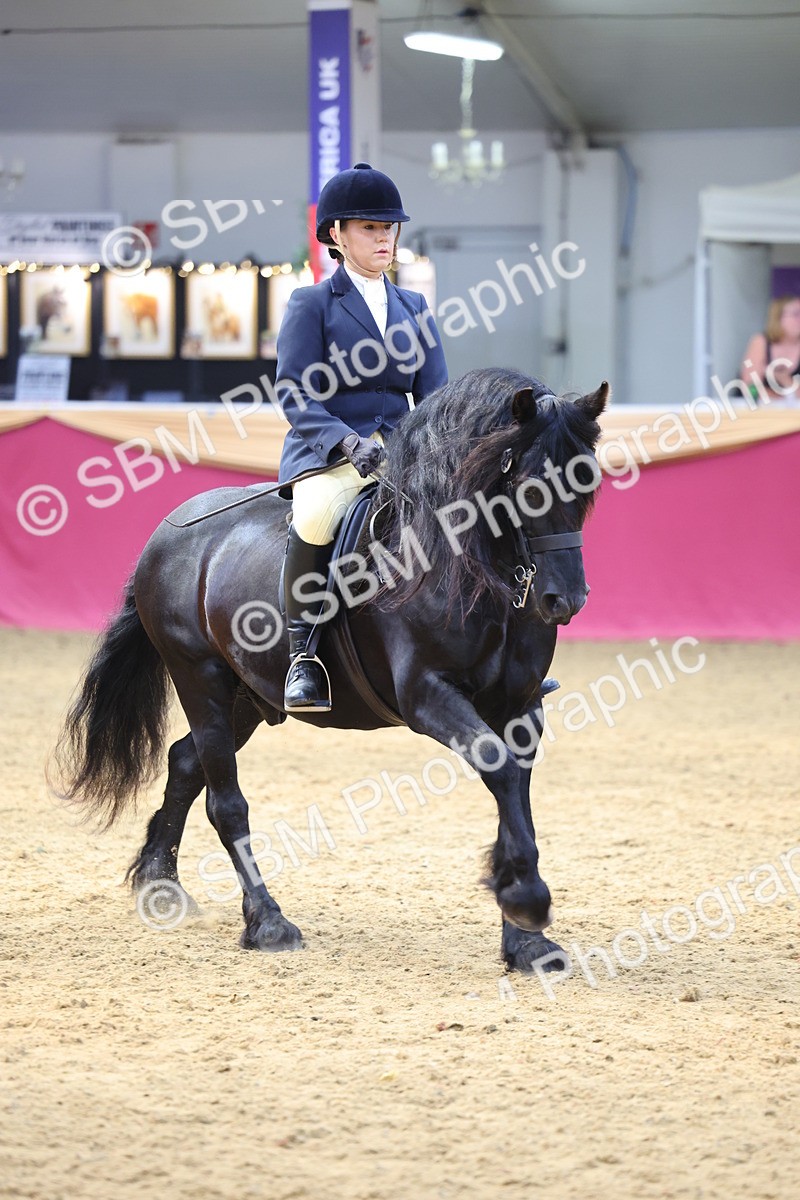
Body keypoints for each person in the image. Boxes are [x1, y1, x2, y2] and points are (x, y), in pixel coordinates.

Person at [275, 162, 448, 712]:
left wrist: (434, 451)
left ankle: (492, 647)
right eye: (371, 227)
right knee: (319, 514)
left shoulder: (415, 307)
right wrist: (347, 443)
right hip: (331, 455)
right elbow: (295, 393)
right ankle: (303, 656)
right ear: (336, 235)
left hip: (402, 453)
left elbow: (437, 397)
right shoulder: (313, 304)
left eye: (390, 227)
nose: (385, 238)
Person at [741, 295, 800, 400]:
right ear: (778, 318)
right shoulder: (760, 342)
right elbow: (750, 389)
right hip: (758, 411)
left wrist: (785, 380)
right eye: (796, 314)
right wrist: (786, 396)